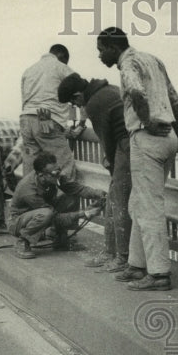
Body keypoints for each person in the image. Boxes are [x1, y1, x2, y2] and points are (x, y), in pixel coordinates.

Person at [96, 26, 178, 291]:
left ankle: (159, 274)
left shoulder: (128, 65)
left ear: (114, 48)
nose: (100, 56)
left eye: (101, 51)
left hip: (146, 138)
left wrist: (147, 122)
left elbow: (136, 92)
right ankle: (137, 265)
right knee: (138, 202)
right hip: (168, 138)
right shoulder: (153, 60)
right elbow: (174, 97)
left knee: (148, 208)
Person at [58, 73, 132, 272]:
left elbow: (106, 139)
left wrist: (110, 163)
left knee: (119, 203)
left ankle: (121, 257)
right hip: (130, 146)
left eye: (74, 102)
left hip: (126, 148)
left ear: (77, 95)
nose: (77, 106)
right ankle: (112, 252)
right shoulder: (110, 89)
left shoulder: (94, 103)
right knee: (116, 201)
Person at [8, 151, 105, 260]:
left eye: (59, 170)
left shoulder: (53, 176)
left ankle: (60, 239)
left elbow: (78, 189)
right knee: (46, 213)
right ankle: (23, 241)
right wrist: (85, 213)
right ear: (41, 175)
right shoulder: (28, 190)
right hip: (19, 222)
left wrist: (99, 194)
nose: (59, 175)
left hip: (41, 213)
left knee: (71, 197)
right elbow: (54, 218)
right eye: (55, 174)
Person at [20, 43, 80, 180]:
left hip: (25, 118)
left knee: (31, 169)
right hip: (44, 115)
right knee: (63, 164)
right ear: (62, 57)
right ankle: (65, 200)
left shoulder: (29, 70)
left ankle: (31, 199)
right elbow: (78, 93)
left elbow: (24, 100)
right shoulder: (61, 67)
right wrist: (80, 123)